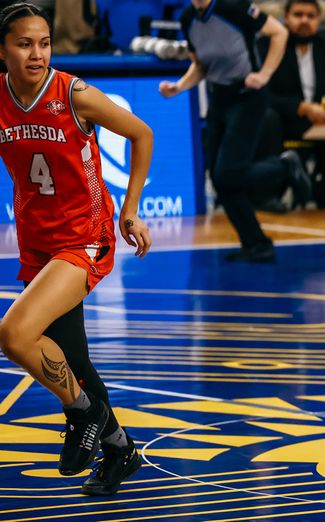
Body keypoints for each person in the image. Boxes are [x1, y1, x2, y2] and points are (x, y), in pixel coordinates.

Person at [0, 2, 153, 496]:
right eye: (24, 43)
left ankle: (81, 413)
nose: (37, 53)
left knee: (15, 334)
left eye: (44, 42)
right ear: (2, 50)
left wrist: (129, 209)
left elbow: (141, 133)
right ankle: (120, 449)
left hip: (84, 236)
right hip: (37, 242)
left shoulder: (74, 94)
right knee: (75, 361)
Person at [160, 0, 302, 262]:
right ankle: (257, 244)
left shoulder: (234, 7)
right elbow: (201, 66)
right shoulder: (188, 18)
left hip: (248, 97)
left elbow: (279, 32)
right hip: (220, 99)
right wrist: (179, 86)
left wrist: (265, 74)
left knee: (228, 174)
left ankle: (284, 167)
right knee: (219, 178)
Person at [263, 0, 325, 209]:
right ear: (286, 17)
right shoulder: (268, 45)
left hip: (317, 119)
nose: (304, 21)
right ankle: (269, 193)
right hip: (284, 119)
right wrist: (300, 107)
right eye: (298, 15)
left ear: (319, 19)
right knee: (267, 118)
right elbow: (263, 95)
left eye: (311, 16)